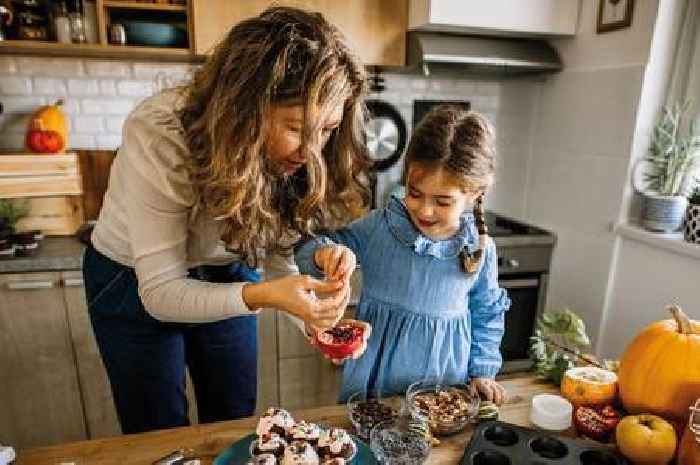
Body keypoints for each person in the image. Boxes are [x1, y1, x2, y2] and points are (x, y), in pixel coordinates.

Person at [83, 6, 370, 434]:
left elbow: (277, 265)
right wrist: (272, 294)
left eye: (326, 130)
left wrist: (313, 319)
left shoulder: (300, 158)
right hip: (131, 281)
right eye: (296, 127)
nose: (312, 151)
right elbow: (161, 292)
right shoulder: (162, 132)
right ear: (246, 108)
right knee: (158, 431)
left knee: (235, 419)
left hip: (226, 271)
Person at [296, 105, 512, 405]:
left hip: (443, 385)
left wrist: (483, 371)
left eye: (442, 201)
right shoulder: (381, 227)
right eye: (414, 192)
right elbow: (309, 249)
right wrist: (326, 254)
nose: (424, 210)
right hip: (374, 383)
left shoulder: (479, 247)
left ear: (474, 193)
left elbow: (487, 313)